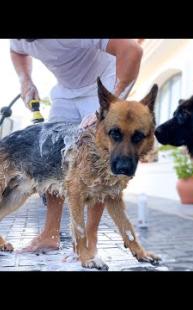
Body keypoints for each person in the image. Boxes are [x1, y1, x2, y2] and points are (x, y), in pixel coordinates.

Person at [10, 39, 143, 252]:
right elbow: (16, 51)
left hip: (103, 85)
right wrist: (25, 79)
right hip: (65, 91)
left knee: (95, 159)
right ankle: (50, 234)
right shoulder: (19, 40)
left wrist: (111, 107)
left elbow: (132, 51)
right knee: (51, 156)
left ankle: (90, 238)